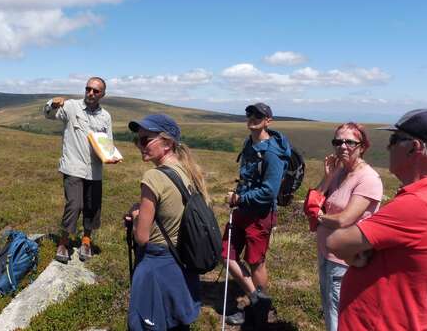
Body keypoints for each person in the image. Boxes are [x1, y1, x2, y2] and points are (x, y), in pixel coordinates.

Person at [327, 109, 427, 331]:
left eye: (394, 140)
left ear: (414, 147)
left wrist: (357, 255)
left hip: (381, 323)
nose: (388, 147)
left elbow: (336, 242)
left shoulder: (418, 204)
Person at [125, 114, 205, 330]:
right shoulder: (189, 171)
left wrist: (135, 216)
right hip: (183, 264)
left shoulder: (153, 177)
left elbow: (142, 237)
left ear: (168, 143)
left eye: (145, 140)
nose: (140, 146)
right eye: (137, 141)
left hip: (156, 264)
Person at [304, 122, 382, 331]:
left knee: (338, 310)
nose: (343, 146)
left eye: (350, 142)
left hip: (345, 258)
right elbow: (314, 200)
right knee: (329, 303)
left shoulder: (368, 179)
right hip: (325, 252)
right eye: (338, 142)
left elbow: (344, 220)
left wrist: (320, 217)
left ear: (363, 146)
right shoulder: (339, 171)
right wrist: (327, 176)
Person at [223, 102, 291, 327]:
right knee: (225, 254)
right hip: (242, 210)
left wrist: (240, 198)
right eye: (250, 113)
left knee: (256, 263)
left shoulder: (272, 153)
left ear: (268, 120)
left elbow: (270, 191)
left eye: (258, 115)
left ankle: (259, 308)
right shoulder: (248, 143)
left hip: (259, 215)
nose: (252, 117)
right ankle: (257, 300)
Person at [43, 77, 117, 263]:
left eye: (95, 91)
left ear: (102, 95)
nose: (91, 93)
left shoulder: (105, 116)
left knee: (92, 207)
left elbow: (108, 143)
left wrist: (111, 156)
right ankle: (63, 242)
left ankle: (86, 241)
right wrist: (52, 103)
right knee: (74, 205)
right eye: (88, 89)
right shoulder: (71, 107)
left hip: (95, 170)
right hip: (73, 167)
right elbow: (49, 115)